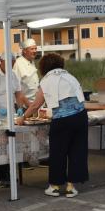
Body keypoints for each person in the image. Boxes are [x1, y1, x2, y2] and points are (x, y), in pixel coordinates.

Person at [17, 52, 88, 197]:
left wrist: (23, 117)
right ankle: (70, 187)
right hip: (80, 117)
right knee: (77, 152)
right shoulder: (70, 77)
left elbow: (36, 104)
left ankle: (55, 186)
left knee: (58, 153)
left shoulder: (46, 80)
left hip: (62, 121)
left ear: (44, 67)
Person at [0, 54, 28, 187]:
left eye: (13, 63)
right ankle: (1, 176)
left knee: (10, 146)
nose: (11, 66)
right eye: (8, 63)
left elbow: (18, 94)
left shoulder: (14, 75)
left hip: (11, 116)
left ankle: (9, 174)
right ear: (1, 62)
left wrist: (20, 107)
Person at [13, 38, 40, 103]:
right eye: (32, 49)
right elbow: (16, 89)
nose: (34, 51)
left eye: (35, 48)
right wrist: (27, 105)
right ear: (24, 51)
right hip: (24, 105)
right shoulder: (18, 64)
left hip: (34, 103)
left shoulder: (32, 62)